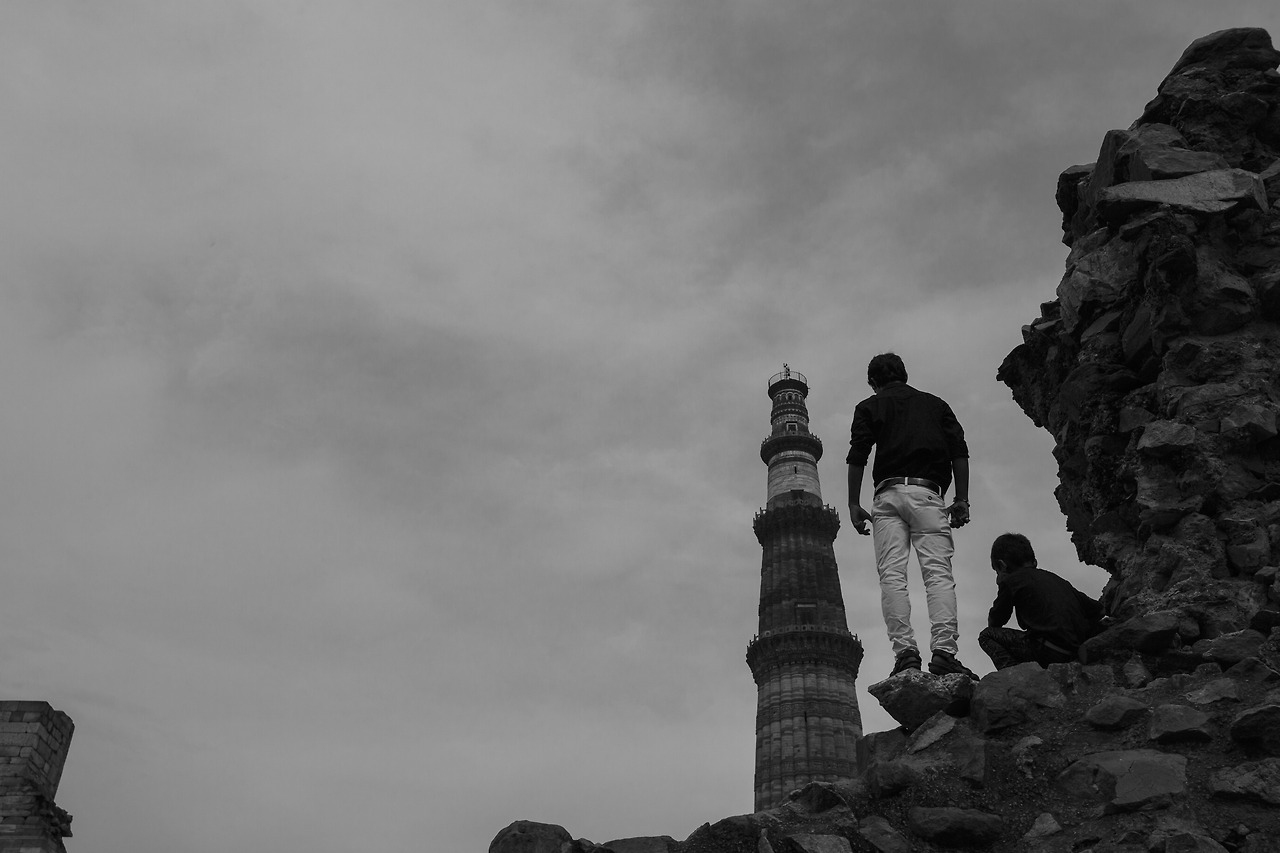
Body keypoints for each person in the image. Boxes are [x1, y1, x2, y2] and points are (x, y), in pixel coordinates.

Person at [847, 353, 976, 679]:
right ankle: (944, 652)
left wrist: (853, 503)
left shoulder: (869, 406)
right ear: (904, 374)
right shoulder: (935, 405)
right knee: (938, 575)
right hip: (928, 494)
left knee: (892, 576)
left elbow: (858, 454)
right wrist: (962, 499)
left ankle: (905, 654)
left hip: (887, 496)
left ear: (873, 383)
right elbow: (959, 451)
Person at [979, 533, 1105, 669]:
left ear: (1002, 565)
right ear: (1034, 561)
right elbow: (1099, 610)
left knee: (987, 635)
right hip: (1075, 650)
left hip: (1048, 651)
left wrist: (1002, 584)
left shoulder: (1011, 581)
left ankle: (1015, 674)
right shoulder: (1056, 579)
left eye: (997, 571)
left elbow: (995, 621)